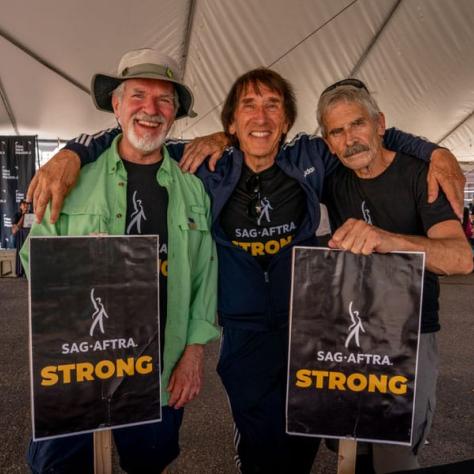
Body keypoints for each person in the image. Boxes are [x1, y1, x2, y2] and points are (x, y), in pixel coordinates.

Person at [27, 68, 465, 474]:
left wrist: (437, 150)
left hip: (307, 329)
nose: (261, 115)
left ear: (288, 121)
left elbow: (365, 135)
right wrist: (71, 152)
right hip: (243, 331)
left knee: (305, 437)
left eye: (272, 105)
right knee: (258, 447)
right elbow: (138, 134)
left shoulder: (312, 157)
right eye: (248, 106)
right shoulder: (202, 164)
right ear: (231, 124)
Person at [20, 48, 219, 474]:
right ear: (116, 104)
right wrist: (78, 266)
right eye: (138, 95)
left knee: (148, 460)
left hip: (160, 364)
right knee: (59, 466)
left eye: (164, 100)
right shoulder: (72, 179)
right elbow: (33, 257)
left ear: (175, 113)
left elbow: (205, 274)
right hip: (78, 364)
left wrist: (195, 352)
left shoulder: (191, 189)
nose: (151, 109)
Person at [317, 79, 473, 473]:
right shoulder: (331, 179)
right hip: (352, 333)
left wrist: (388, 239)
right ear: (327, 141)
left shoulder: (421, 176)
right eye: (337, 131)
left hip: (410, 333)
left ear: (380, 123)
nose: (350, 139)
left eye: (357, 124)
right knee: (348, 446)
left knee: (395, 452)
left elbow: (460, 259)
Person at [12, 199, 30, 276]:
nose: (26, 206)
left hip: (29, 237)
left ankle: (28, 271)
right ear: (20, 206)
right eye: (24, 205)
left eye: (27, 205)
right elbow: (15, 229)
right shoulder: (16, 215)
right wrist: (23, 215)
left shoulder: (32, 214)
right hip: (20, 237)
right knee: (21, 251)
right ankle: (20, 271)